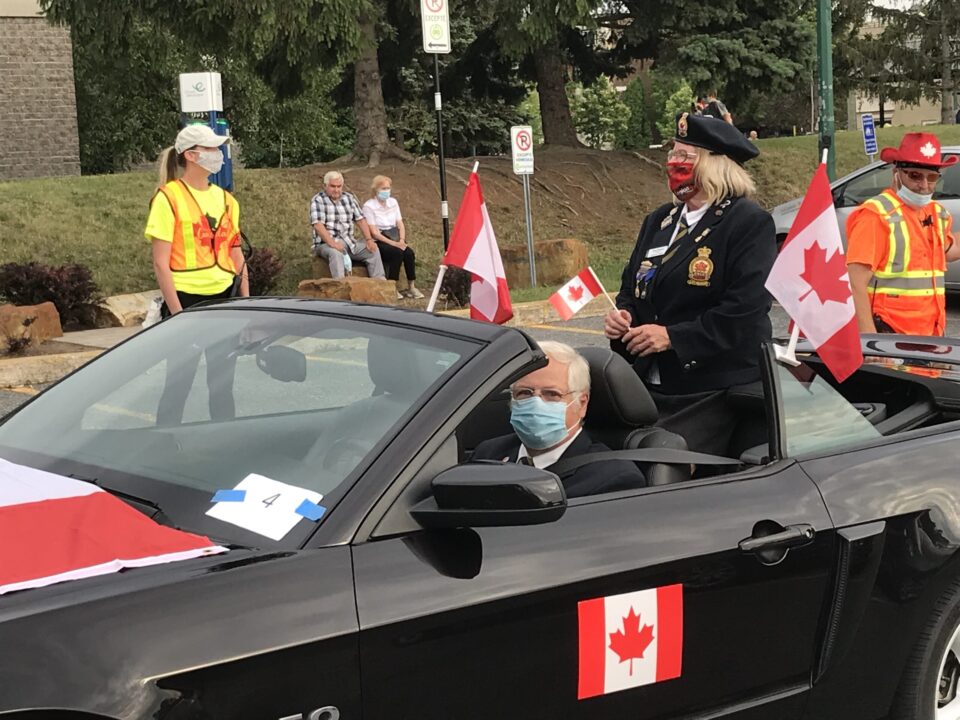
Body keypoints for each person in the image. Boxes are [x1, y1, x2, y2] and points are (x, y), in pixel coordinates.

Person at [604, 112, 776, 456]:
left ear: (715, 165)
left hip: (712, 389)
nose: (673, 163)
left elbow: (744, 309)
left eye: (685, 156)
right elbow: (634, 287)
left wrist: (672, 338)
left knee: (657, 468)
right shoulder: (659, 221)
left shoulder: (748, 223)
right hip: (650, 385)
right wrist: (623, 316)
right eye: (672, 154)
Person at [145, 124, 249, 424]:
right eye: (213, 149)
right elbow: (160, 263)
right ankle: (164, 443)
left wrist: (246, 303)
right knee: (179, 383)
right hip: (186, 300)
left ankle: (224, 445)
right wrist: (177, 315)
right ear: (191, 155)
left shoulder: (227, 200)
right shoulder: (168, 198)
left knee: (222, 385)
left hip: (224, 298)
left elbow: (236, 254)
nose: (219, 155)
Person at [471, 342, 646, 498]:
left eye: (552, 394)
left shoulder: (611, 478)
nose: (536, 404)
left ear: (582, 404)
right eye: (524, 393)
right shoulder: (488, 454)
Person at [846, 132, 960, 336]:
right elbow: (855, 283)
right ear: (896, 173)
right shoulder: (876, 215)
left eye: (932, 177)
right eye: (915, 175)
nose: (924, 185)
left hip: (930, 335)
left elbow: (950, 249)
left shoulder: (936, 213)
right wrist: (871, 343)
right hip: (891, 339)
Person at [309, 171, 386, 280]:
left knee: (373, 250)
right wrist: (332, 243)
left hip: (349, 242)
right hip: (326, 244)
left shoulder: (349, 198)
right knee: (336, 253)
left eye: (339, 186)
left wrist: (368, 239)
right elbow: (318, 225)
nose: (336, 190)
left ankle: (380, 283)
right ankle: (340, 285)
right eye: (332, 186)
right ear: (325, 186)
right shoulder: (318, 200)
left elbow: (361, 220)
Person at [362, 175, 424, 299]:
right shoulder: (369, 206)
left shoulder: (393, 202)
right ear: (376, 190)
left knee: (408, 253)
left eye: (388, 188)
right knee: (397, 253)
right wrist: (394, 244)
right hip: (381, 239)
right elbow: (374, 232)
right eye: (383, 188)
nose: (386, 191)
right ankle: (392, 286)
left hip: (395, 236)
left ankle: (411, 286)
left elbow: (400, 223)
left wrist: (401, 240)